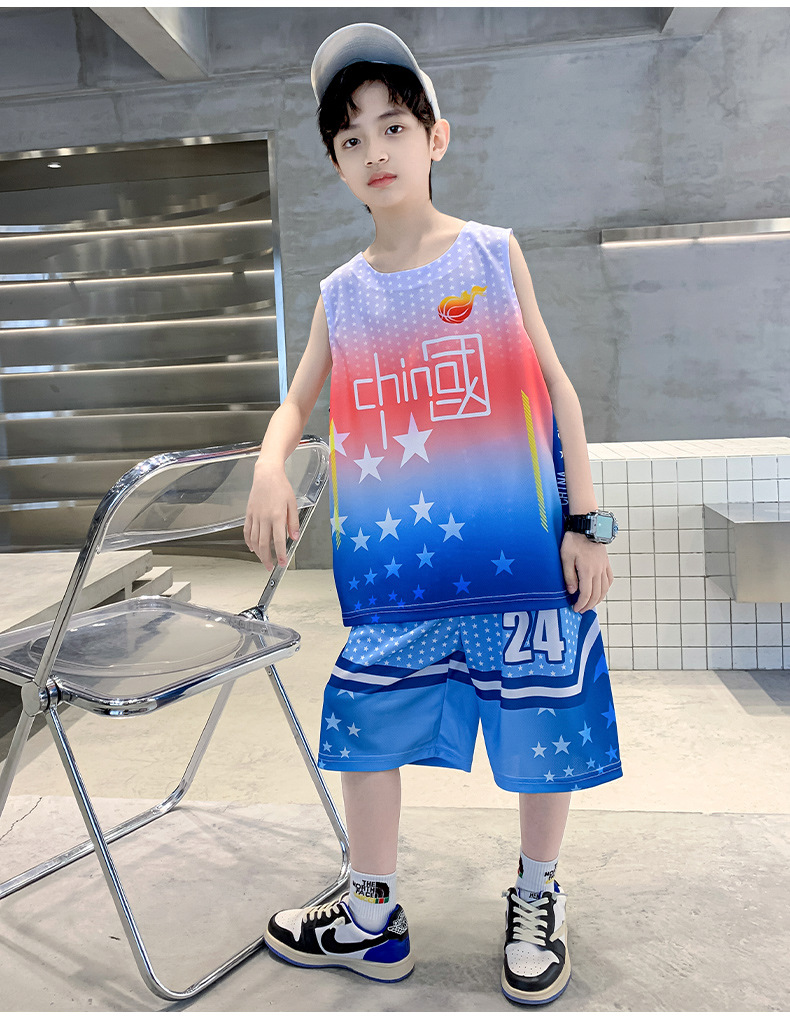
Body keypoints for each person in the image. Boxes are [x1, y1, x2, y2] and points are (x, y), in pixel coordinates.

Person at [244, 22, 622, 1006]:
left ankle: (537, 893)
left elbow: (559, 389)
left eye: (393, 127)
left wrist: (585, 524)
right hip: (399, 572)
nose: (375, 150)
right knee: (364, 722)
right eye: (351, 137)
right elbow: (295, 401)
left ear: (434, 137)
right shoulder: (340, 294)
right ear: (336, 163)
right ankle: (372, 914)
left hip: (519, 558)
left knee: (541, 725)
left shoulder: (492, 254)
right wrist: (270, 466)